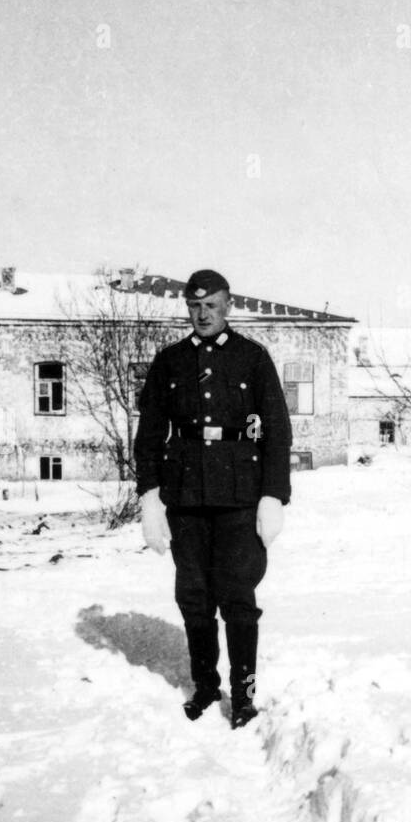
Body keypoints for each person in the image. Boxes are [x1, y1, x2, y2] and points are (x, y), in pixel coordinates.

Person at [133, 268, 292, 728]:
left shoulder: (252, 358)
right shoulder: (170, 361)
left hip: (240, 496)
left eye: (211, 305)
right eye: (195, 306)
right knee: (194, 596)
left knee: (237, 596)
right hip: (184, 495)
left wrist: (272, 497)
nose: (203, 314)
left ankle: (243, 695)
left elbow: (277, 432)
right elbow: (148, 436)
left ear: (228, 307)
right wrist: (150, 497)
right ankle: (205, 686)